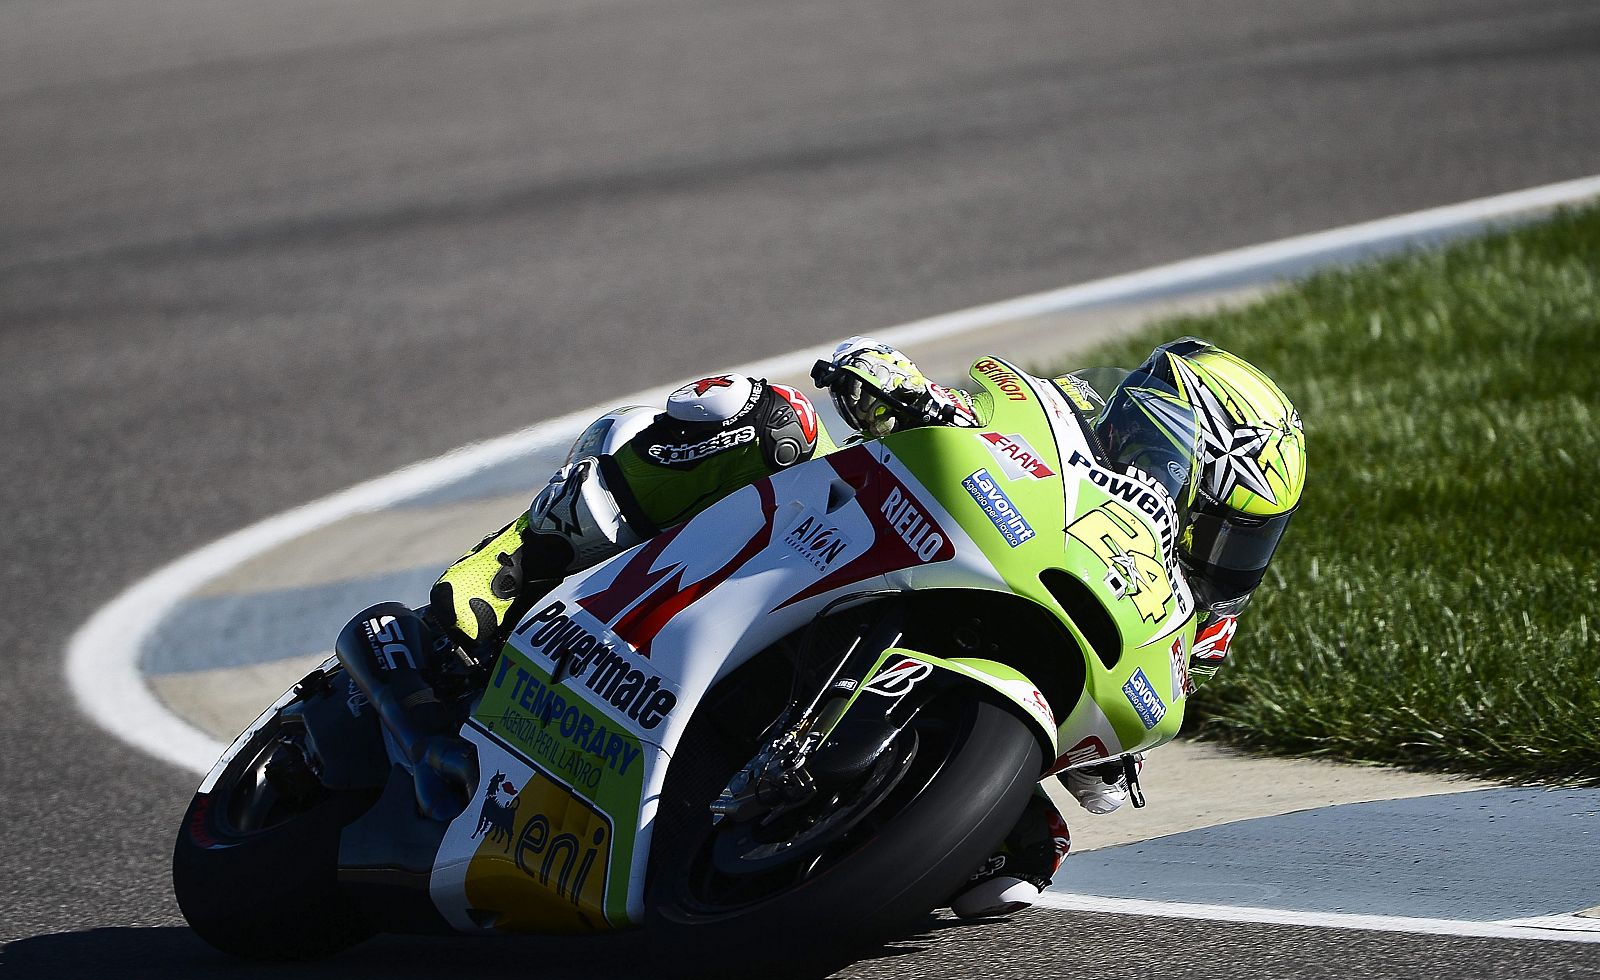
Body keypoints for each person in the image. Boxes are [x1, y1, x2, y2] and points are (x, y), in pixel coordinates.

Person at [339, 334, 1307, 917]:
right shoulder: (1052, 433)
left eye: (1241, 546)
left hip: (916, 702)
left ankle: (785, 845)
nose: (1222, 563)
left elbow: (1091, 769)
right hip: (821, 554)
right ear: (1157, 444)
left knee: (1020, 858)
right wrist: (902, 393)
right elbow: (954, 415)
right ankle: (488, 598)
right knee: (754, 418)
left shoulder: (1166, 619)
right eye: (1217, 526)